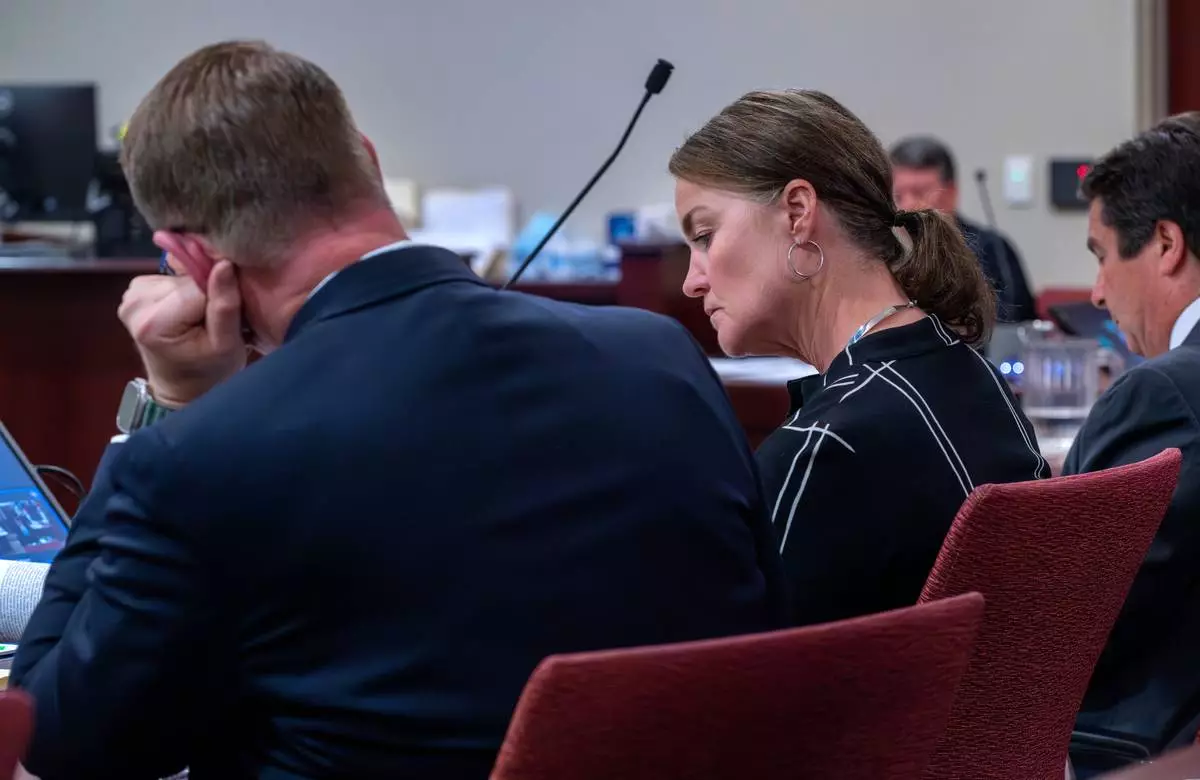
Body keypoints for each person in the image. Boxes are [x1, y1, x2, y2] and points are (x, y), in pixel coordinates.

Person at [11, 41, 790, 779]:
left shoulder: (203, 455)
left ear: (189, 258)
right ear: (369, 161)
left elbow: (61, 737)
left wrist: (170, 405)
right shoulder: (660, 357)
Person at [671, 89, 1047, 627]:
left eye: (706, 236)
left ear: (797, 212)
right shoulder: (976, 378)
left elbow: (728, 670)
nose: (691, 281)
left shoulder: (826, 447)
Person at [1063, 112, 1200, 769]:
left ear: (1166, 243)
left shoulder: (1162, 394)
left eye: (1102, 254)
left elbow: (1072, 617)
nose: (1096, 292)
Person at [890, 135, 1037, 323]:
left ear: (951, 193)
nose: (907, 206)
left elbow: (1014, 324)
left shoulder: (992, 249)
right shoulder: (879, 251)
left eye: (920, 193)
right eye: (898, 196)